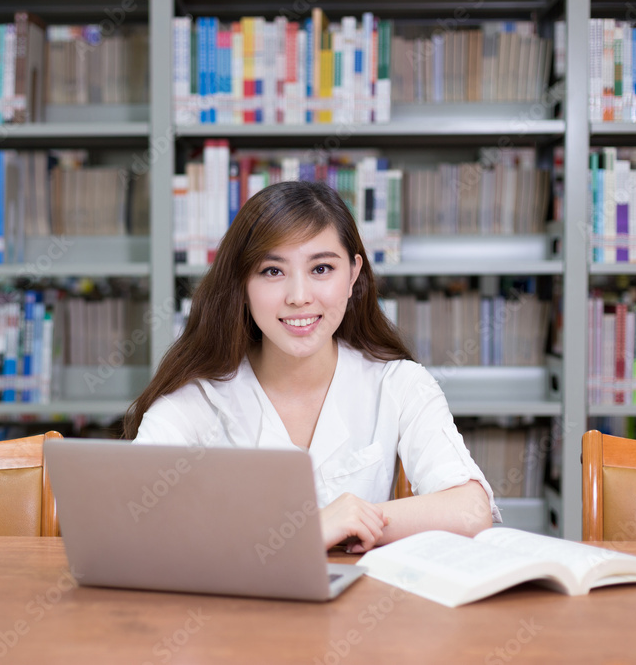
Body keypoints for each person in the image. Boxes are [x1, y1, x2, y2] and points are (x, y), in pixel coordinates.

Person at [124, 180, 500, 553]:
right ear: (242, 284)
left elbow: (470, 509)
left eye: (321, 269)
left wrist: (357, 519)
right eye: (272, 271)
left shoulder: (398, 384)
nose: (299, 297)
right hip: (237, 607)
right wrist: (309, 530)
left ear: (353, 274)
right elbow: (129, 518)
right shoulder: (197, 399)